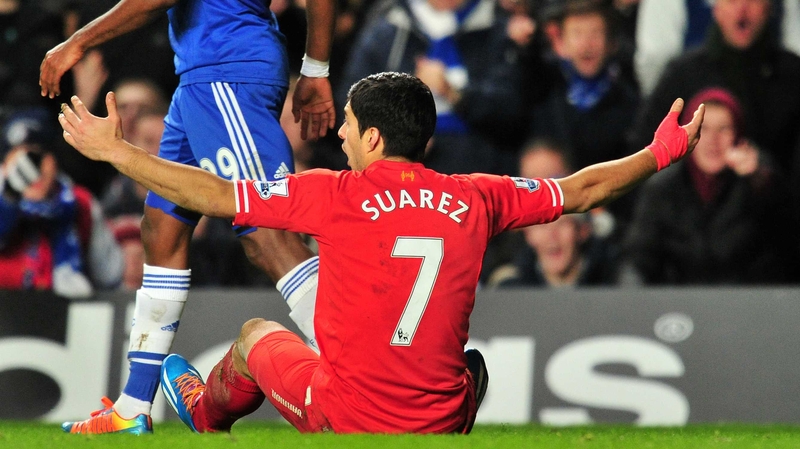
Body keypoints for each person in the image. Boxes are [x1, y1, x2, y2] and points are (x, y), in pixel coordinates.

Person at [57, 71, 703, 434]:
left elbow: (215, 193)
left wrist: (118, 153)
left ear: (371, 136)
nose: (339, 134)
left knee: (254, 336)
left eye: (346, 123)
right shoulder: (479, 196)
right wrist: (660, 153)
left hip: (348, 416)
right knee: (466, 367)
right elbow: (584, 189)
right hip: (438, 418)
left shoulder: (334, 193)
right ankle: (453, 409)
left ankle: (203, 413)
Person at [40, 0, 336, 435]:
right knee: (161, 228)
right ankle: (132, 407)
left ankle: (359, 375)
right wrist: (315, 67)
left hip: (228, 71)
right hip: (201, 77)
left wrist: (79, 41)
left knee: (266, 231)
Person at [621, 87, 800, 285]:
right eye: (703, 129)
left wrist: (759, 180)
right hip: (680, 299)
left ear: (738, 135)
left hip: (748, 298)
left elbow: (787, 240)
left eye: (724, 129)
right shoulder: (663, 187)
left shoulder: (760, 178)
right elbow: (637, 257)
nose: (713, 140)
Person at [0, 108, 123, 298]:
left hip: (65, 312)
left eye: (37, 156)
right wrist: (9, 197)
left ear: (54, 160)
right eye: (19, 157)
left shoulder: (80, 203)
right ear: (4, 164)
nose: (30, 170)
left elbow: (111, 276)